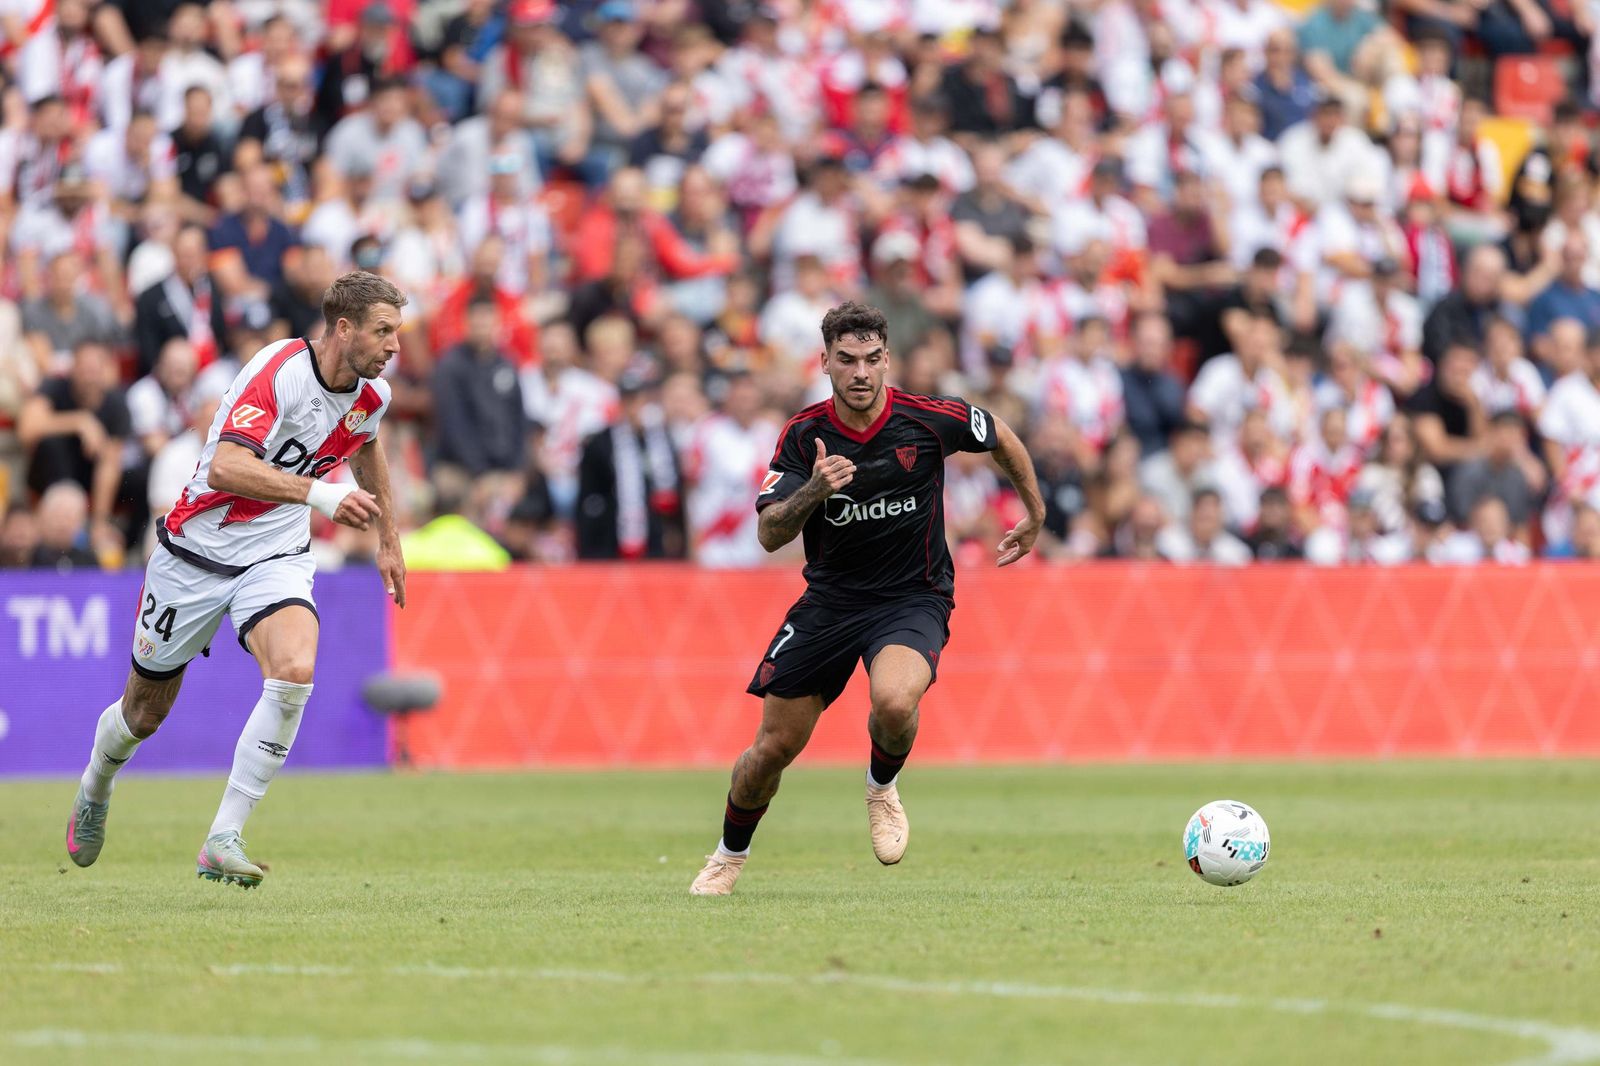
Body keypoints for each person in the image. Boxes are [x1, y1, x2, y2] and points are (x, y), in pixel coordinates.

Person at [65, 272, 410, 890]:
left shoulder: (370, 394)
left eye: (397, 334)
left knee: (295, 670)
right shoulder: (278, 372)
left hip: (276, 553)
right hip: (195, 551)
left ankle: (222, 837)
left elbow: (367, 441)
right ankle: (96, 782)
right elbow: (225, 465)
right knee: (145, 713)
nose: (393, 347)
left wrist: (389, 538)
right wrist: (323, 496)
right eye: (382, 332)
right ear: (343, 328)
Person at [690, 301, 1045, 895]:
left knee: (896, 703)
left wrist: (1034, 514)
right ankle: (727, 856)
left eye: (872, 359)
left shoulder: (928, 419)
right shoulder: (804, 435)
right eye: (847, 360)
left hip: (913, 595)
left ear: (888, 360)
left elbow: (1001, 435)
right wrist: (813, 491)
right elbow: (770, 531)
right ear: (825, 362)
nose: (861, 372)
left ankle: (881, 787)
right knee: (771, 749)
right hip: (830, 601)